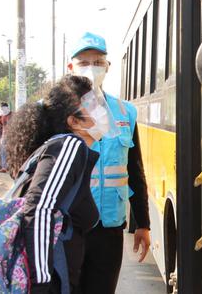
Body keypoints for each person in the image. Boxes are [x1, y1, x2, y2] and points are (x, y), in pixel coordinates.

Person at [68, 32, 150, 293]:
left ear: (107, 67)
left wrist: (143, 223)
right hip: (69, 227)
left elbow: (134, 169)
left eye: (98, 61)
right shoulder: (56, 112)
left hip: (109, 226)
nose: (91, 68)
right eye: (83, 62)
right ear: (70, 68)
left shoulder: (125, 112)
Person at [4, 75, 102, 293]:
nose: (101, 112)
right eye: (92, 106)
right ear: (74, 121)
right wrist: (41, 281)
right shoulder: (70, 145)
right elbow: (39, 209)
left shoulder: (57, 146)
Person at [0, 101, 13, 172]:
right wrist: (0, 137)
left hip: (13, 135)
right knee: (3, 151)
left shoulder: (13, 115)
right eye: (2, 108)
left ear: (7, 108)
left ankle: (12, 166)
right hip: (4, 135)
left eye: (4, 108)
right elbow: (0, 128)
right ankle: (4, 167)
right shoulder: (1, 117)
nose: (3, 109)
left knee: (12, 151)